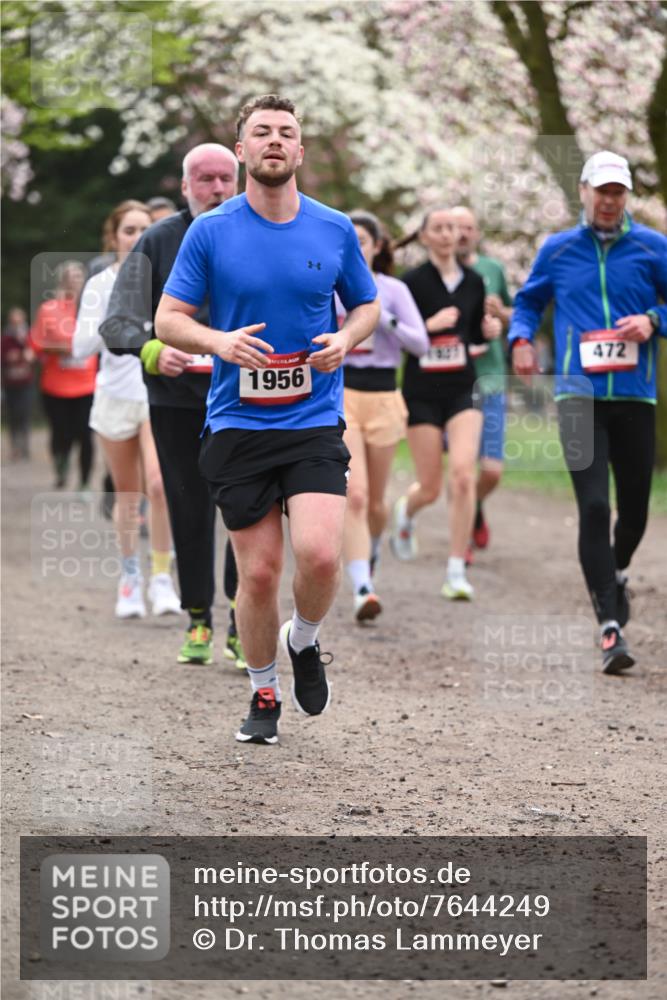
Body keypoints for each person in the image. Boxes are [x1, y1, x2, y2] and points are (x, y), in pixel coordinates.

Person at [156, 94, 379, 745]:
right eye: (262, 132)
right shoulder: (212, 230)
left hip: (311, 418)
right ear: (243, 151)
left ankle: (302, 641)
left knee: (317, 557)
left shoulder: (333, 227)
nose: (275, 141)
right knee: (256, 573)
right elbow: (169, 319)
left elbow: (364, 306)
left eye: (286, 132)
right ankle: (261, 689)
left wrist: (347, 340)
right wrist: (217, 343)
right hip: (237, 423)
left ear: (299, 151)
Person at [508, 150, 667, 675]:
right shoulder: (557, 250)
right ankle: (609, 626)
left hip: (635, 396)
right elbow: (530, 301)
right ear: (583, 191)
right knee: (596, 507)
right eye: (601, 191)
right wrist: (521, 339)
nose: (608, 200)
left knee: (637, 512)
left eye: (617, 191)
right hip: (577, 396)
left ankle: (613, 575)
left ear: (626, 197)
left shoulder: (652, 246)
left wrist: (652, 319)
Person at [99, 143, 245, 667]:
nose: (216, 189)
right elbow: (116, 324)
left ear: (241, 180)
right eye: (204, 180)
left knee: (246, 509)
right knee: (187, 503)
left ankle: (241, 619)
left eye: (226, 178)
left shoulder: (259, 232)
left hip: (246, 398)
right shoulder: (159, 240)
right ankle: (200, 619)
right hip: (177, 401)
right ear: (185, 188)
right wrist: (153, 348)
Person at [72, 200, 181, 619]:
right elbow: (80, 347)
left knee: (159, 485)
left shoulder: (166, 282)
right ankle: (129, 577)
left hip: (156, 397)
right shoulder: (100, 283)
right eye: (129, 231)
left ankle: (161, 578)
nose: (137, 238)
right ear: (114, 238)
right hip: (114, 398)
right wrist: (113, 319)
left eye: (143, 230)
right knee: (128, 494)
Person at [390, 208, 502, 599]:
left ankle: (456, 569)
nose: (445, 234)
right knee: (432, 487)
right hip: (421, 391)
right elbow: (397, 333)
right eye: (437, 228)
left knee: (463, 475)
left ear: (460, 235)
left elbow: (475, 337)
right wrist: (428, 325)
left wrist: (490, 330)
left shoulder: (474, 282)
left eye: (451, 228)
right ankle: (407, 510)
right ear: (423, 236)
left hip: (462, 387)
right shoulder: (411, 282)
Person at [341, 211, 429, 622]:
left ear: (377, 246)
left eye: (364, 239)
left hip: (384, 396)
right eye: (350, 239)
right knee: (354, 494)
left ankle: (371, 553)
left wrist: (382, 317)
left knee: (375, 501)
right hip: (340, 393)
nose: (357, 246)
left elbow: (422, 344)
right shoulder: (329, 286)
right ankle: (362, 587)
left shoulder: (393, 289)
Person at [452, 206, 513, 553]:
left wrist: (499, 314)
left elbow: (513, 312)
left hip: (489, 379)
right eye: (455, 227)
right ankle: (461, 549)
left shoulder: (493, 270)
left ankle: (474, 509)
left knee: (490, 471)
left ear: (477, 233)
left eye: (468, 227)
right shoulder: (440, 275)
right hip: (452, 383)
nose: (461, 233)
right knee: (460, 471)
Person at [30, 262, 97, 491]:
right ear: (62, 280)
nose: (75, 280)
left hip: (87, 385)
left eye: (79, 276)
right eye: (71, 276)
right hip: (55, 385)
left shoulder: (92, 308)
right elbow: (37, 345)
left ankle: (85, 483)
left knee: (86, 436)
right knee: (61, 434)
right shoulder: (49, 309)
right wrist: (67, 348)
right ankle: (61, 465)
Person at [1, 307, 35, 460]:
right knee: (13, 416)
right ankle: (14, 447)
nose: (16, 325)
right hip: (10, 384)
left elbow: (35, 355)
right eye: (13, 322)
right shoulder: (5, 339)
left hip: (26, 382)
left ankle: (25, 447)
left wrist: (24, 353)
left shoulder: (29, 336)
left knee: (24, 415)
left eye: (18, 321)